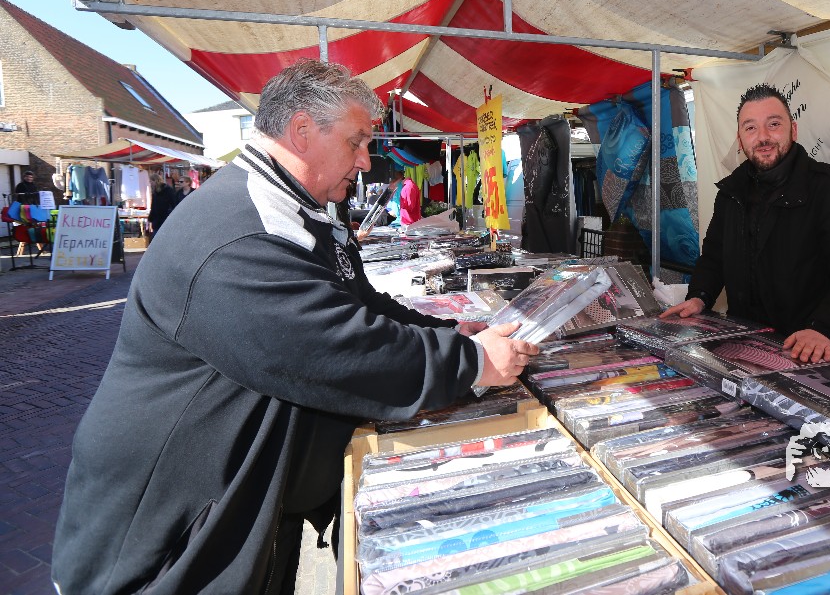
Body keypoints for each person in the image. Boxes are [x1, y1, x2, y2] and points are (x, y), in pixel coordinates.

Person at [52, 59, 538, 595]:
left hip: (237, 504)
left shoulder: (293, 210)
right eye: (355, 142)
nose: (365, 159)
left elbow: (359, 303)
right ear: (302, 131)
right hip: (171, 538)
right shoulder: (238, 233)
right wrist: (472, 362)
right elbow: (336, 349)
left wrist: (454, 335)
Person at [661, 83, 830, 364]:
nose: (763, 137)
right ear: (740, 139)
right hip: (750, 352)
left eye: (774, 124)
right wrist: (699, 297)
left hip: (821, 353)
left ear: (794, 130)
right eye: (751, 128)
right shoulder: (730, 194)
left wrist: (824, 328)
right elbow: (715, 257)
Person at [147, 171, 176, 239]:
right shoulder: (156, 192)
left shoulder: (167, 190)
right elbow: (153, 206)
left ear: (155, 181)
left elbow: (173, 203)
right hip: (157, 219)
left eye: (151, 181)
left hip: (165, 218)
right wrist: (150, 218)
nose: (150, 183)